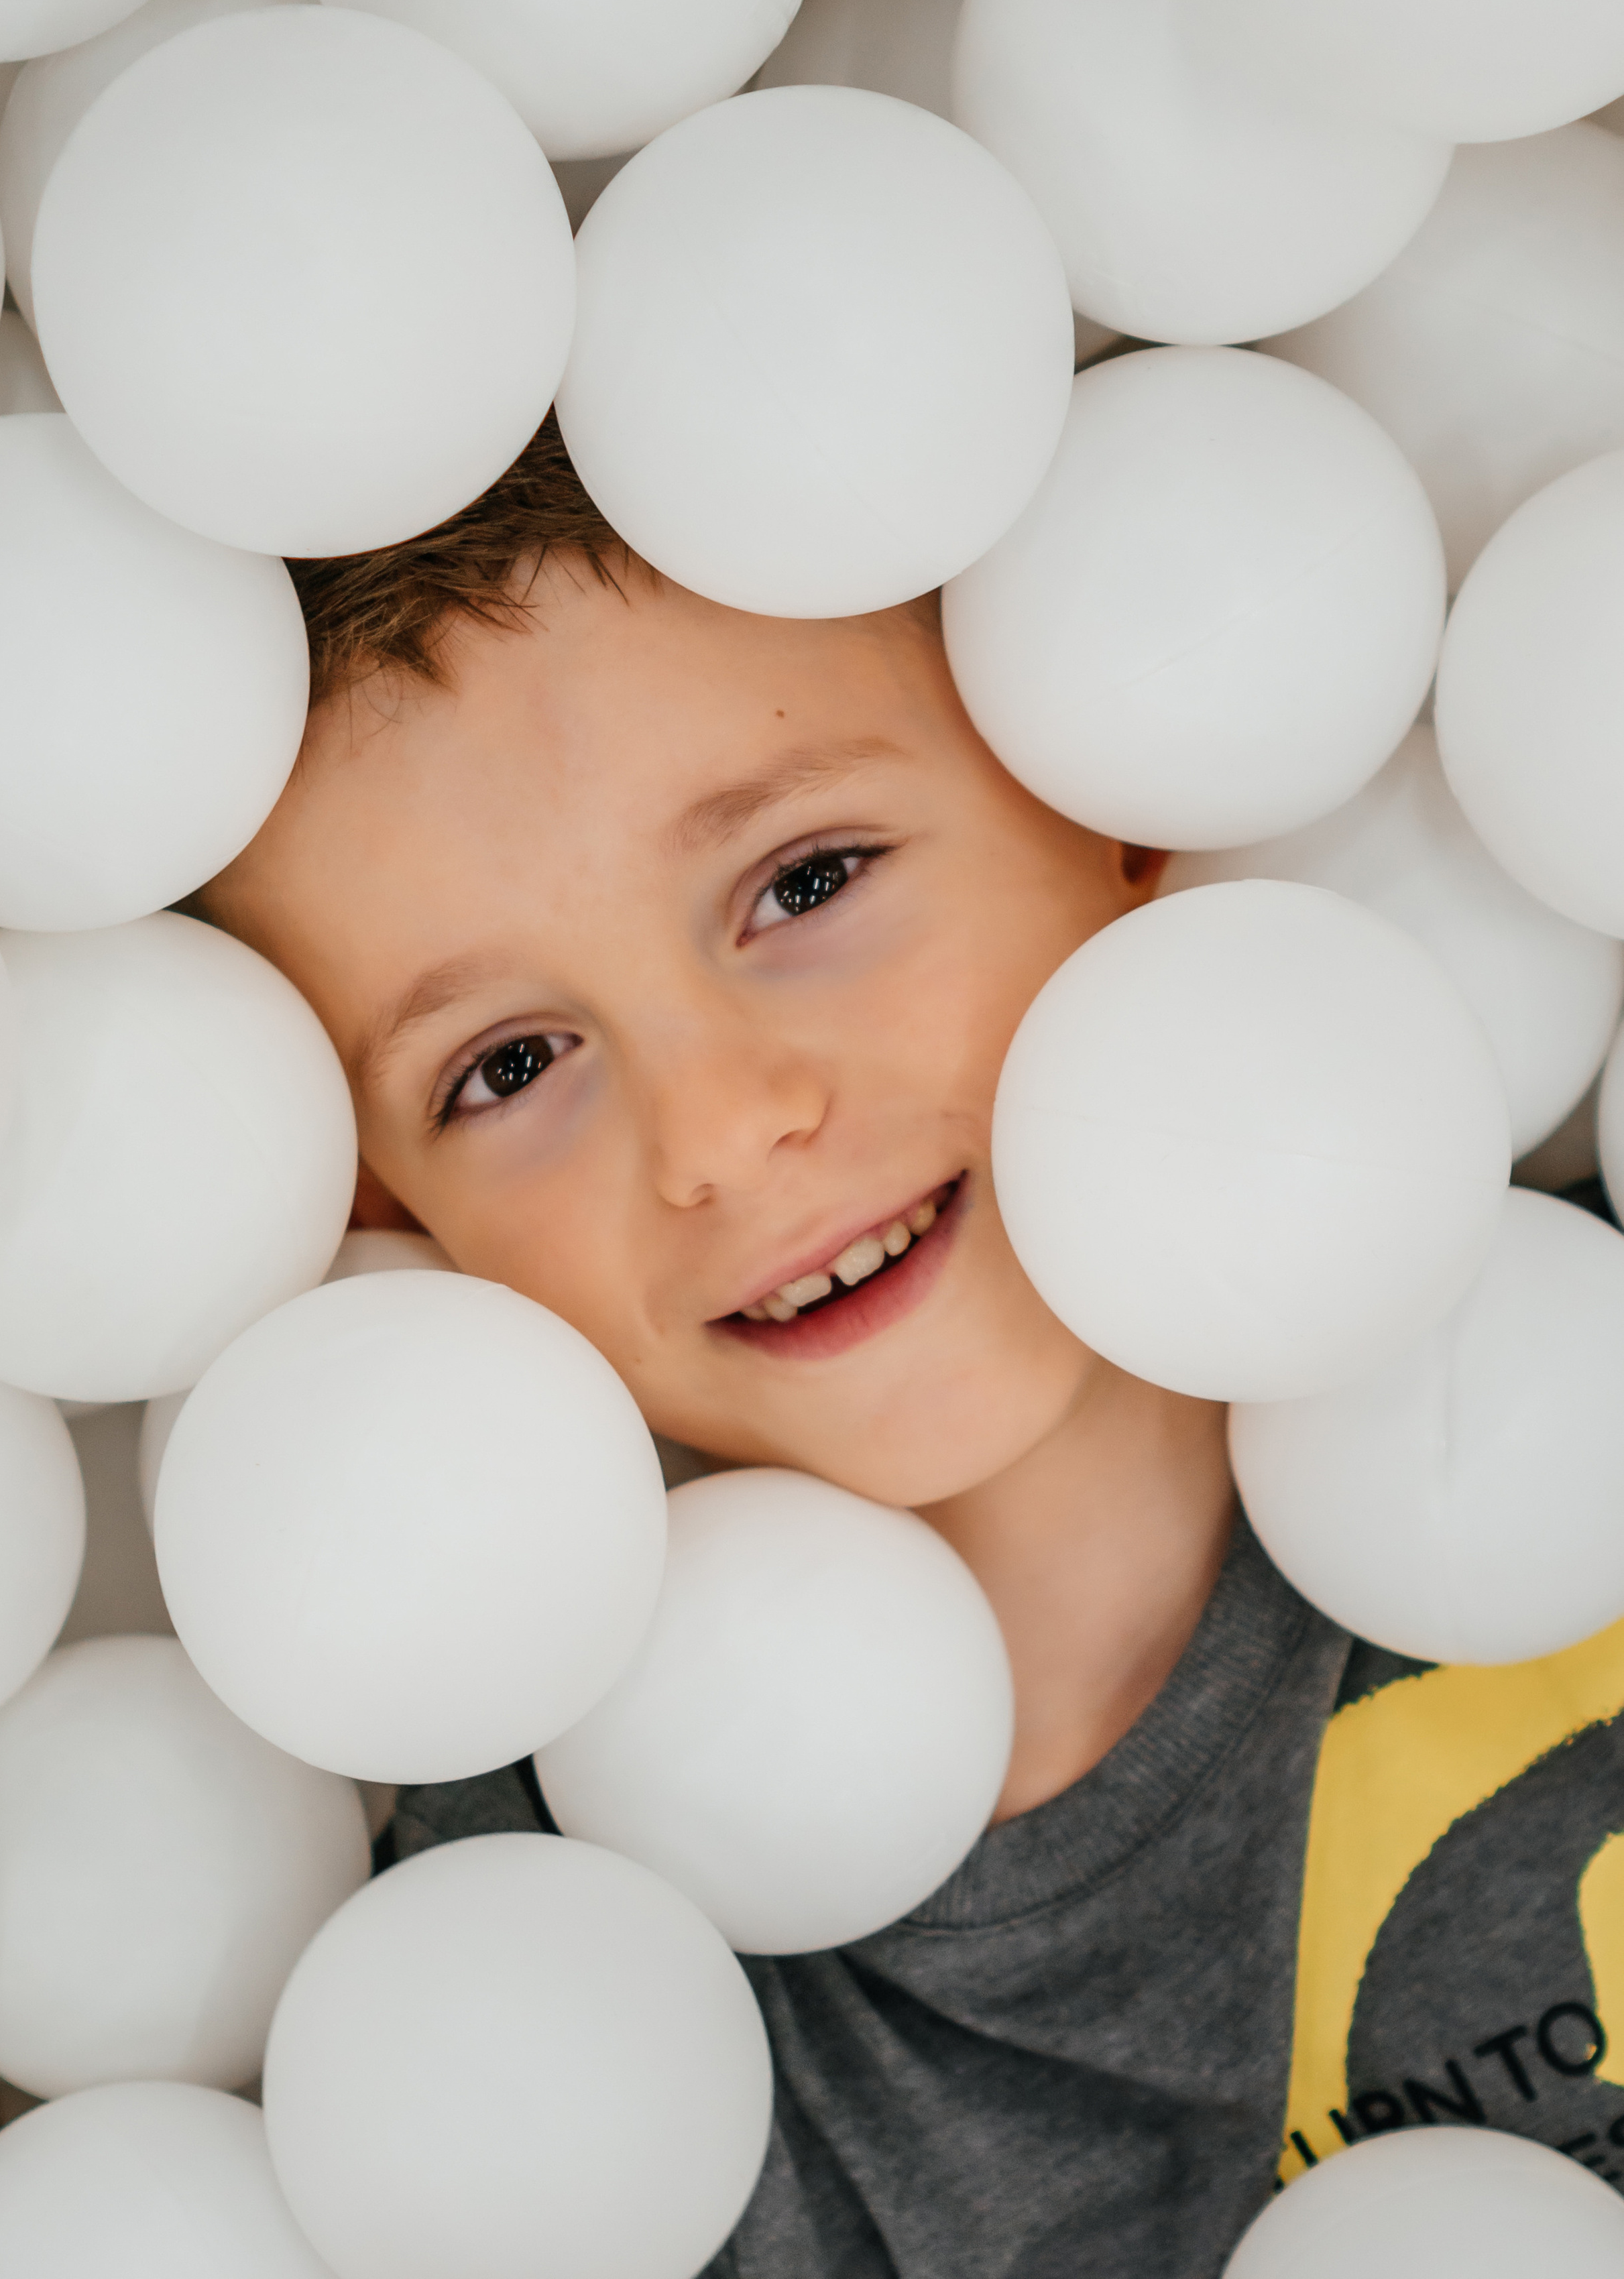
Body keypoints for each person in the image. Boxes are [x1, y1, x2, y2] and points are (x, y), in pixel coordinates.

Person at [204, 410, 1624, 2276]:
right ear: (387, 1220)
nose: (720, 1132)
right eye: (509, 1069)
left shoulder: (1563, 1358)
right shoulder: (539, 2012)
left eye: (805, 883)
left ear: (1107, 795)